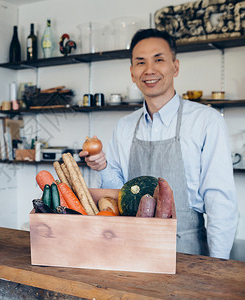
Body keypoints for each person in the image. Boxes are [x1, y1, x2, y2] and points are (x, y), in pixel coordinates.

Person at [80, 29, 237, 259]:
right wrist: (103, 167)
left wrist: (218, 264)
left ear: (175, 67)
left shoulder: (206, 121)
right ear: (132, 73)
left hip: (187, 253)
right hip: (131, 250)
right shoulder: (124, 127)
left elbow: (219, 201)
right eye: (140, 62)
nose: (149, 70)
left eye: (159, 59)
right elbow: (119, 194)